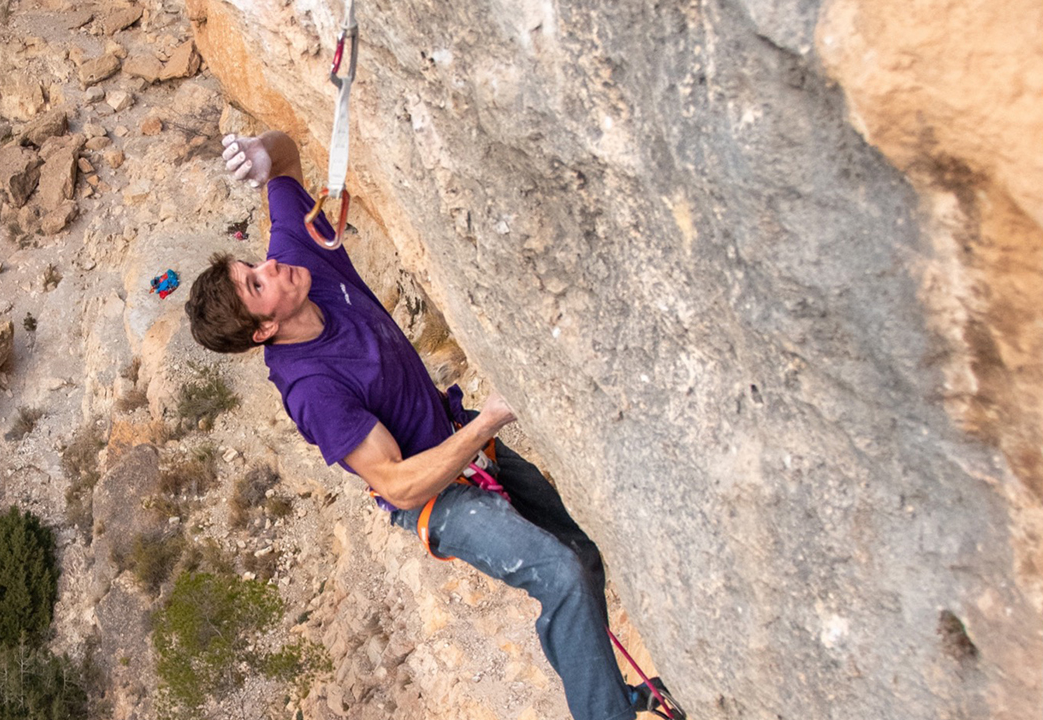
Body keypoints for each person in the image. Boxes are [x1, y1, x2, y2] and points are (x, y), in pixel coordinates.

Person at [183, 131, 680, 720]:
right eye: (256, 283)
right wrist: (491, 418)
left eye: (253, 266)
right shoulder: (313, 389)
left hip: (458, 437)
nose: (271, 265)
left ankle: (610, 696)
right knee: (562, 573)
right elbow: (395, 484)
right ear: (263, 330)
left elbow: (284, 163)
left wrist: (265, 152)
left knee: (581, 556)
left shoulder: (297, 260)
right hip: (433, 497)